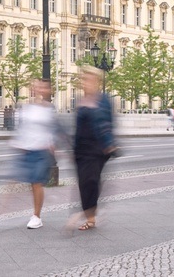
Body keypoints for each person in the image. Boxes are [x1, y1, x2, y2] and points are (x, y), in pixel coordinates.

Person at [71, 66, 117, 231]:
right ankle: (90, 212)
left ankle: (90, 217)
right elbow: (77, 127)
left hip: (97, 148)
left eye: (89, 79)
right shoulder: (81, 100)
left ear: (96, 81)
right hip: (81, 150)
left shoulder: (103, 100)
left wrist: (109, 143)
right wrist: (73, 148)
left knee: (90, 180)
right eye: (84, 79)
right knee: (84, 183)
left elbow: (107, 124)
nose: (85, 83)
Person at [10, 78, 59, 229]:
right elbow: (23, 128)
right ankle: (38, 207)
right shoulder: (28, 108)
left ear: (48, 90)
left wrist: (53, 144)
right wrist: (18, 142)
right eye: (37, 87)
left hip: (43, 150)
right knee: (33, 183)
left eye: (43, 87)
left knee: (37, 182)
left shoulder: (49, 109)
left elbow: (54, 129)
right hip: (29, 149)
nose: (40, 90)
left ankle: (36, 216)